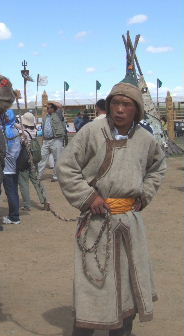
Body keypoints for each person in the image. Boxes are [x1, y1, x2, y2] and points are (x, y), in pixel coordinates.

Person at [57, 79, 166, 336]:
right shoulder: (91, 132)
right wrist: (88, 197)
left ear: (136, 110)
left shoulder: (145, 139)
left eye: (126, 104)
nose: (119, 109)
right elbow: (66, 167)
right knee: (94, 285)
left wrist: (145, 194)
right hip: (97, 224)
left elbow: (158, 168)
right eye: (115, 103)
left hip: (130, 223)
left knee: (128, 285)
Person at [17, 112, 49, 211]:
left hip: (24, 160)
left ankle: (27, 205)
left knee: (24, 183)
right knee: (36, 181)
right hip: (33, 159)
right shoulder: (34, 131)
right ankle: (45, 200)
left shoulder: (23, 133)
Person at [1, 109, 21, 224]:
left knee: (11, 193)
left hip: (7, 168)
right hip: (15, 165)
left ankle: (14, 217)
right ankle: (14, 215)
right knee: (14, 191)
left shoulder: (5, 131)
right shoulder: (16, 130)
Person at [38, 102, 66, 182]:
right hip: (46, 140)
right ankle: (38, 175)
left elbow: (60, 105)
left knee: (57, 159)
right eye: (47, 108)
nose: (48, 109)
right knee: (42, 157)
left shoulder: (58, 114)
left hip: (56, 139)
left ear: (54, 109)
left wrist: (49, 102)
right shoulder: (45, 117)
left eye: (49, 107)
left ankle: (56, 176)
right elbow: (44, 129)